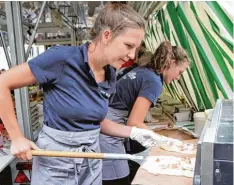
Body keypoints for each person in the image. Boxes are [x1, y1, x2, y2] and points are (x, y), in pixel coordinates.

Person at [0, 3, 165, 185]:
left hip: (90, 163)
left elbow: (97, 121)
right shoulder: (62, 59)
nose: (132, 55)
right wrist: (16, 137)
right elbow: (2, 82)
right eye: (128, 45)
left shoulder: (110, 74)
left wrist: (134, 133)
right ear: (107, 36)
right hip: (57, 166)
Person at [100, 41, 190, 185]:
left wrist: (156, 130)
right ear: (172, 63)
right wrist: (163, 141)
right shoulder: (154, 82)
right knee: (118, 178)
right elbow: (134, 122)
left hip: (106, 118)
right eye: (180, 72)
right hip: (110, 126)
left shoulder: (146, 71)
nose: (178, 78)